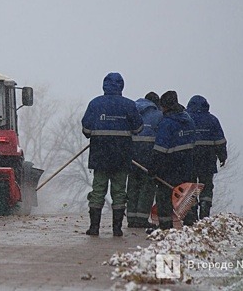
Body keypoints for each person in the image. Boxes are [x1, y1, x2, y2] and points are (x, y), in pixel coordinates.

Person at [81, 72, 143, 237]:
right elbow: (138, 129)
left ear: (104, 85)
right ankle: (117, 229)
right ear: (122, 86)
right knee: (119, 191)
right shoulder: (129, 105)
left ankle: (94, 228)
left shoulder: (95, 104)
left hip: (100, 155)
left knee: (98, 189)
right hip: (122, 156)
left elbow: (86, 129)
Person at [150, 91, 196, 230]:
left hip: (168, 167)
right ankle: (191, 224)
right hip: (187, 165)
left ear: (165, 106)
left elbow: (160, 150)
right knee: (185, 196)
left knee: (164, 197)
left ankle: (165, 226)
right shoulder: (188, 121)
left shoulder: (167, 124)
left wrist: (153, 169)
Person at [186, 95, 227, 220]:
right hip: (207, 160)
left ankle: (191, 213)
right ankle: (205, 209)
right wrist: (222, 156)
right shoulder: (213, 120)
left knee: (191, 186)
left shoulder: (187, 119)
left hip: (189, 160)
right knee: (207, 186)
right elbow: (220, 141)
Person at [126, 92, 162, 228]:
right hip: (148, 155)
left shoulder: (132, 111)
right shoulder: (158, 115)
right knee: (147, 187)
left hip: (131, 154)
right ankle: (141, 219)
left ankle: (131, 218)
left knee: (133, 185)